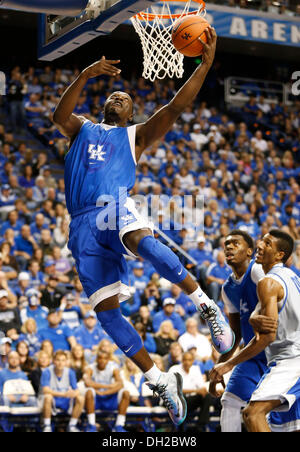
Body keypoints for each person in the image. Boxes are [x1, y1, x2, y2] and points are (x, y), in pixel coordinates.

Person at [52, 27, 234, 425]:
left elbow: (174, 107)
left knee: (144, 241)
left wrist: (203, 67)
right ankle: (157, 378)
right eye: (114, 95)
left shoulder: (135, 136)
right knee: (107, 314)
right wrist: (85, 74)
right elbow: (58, 116)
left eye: (126, 98)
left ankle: (204, 303)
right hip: (81, 227)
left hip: (112, 207)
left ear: (132, 114)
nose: (118, 97)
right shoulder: (82, 129)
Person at [210, 230, 300, 432]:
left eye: (267, 243)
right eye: (227, 243)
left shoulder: (262, 275)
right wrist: (221, 364)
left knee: (253, 414)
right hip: (269, 355)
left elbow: (267, 334)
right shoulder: (291, 277)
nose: (260, 245)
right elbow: (238, 331)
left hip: (284, 356)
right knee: (287, 426)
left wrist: (227, 365)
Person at [83, 350, 131, 432]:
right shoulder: (90, 368)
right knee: (89, 392)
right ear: (97, 359)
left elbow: (120, 384)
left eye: (105, 359)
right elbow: (87, 383)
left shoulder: (113, 368)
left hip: (109, 397)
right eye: (100, 358)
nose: (102, 360)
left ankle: (119, 425)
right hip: (96, 398)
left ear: (108, 359)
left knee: (126, 393)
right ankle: (92, 425)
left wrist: (104, 392)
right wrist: (107, 386)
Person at [40, 350, 84, 432]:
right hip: (52, 400)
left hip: (65, 400)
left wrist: (73, 394)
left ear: (66, 362)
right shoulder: (47, 371)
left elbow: (77, 390)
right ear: (53, 361)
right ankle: (47, 426)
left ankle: (72, 425)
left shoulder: (70, 372)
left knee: (80, 398)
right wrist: (64, 394)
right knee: (48, 397)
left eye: (63, 360)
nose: (60, 363)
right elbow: (46, 390)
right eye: (58, 360)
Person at [170, 351, 213, 432]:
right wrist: (196, 390)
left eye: (189, 360)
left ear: (193, 361)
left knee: (207, 396)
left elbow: (202, 388)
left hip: (189, 401)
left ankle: (200, 426)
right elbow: (173, 390)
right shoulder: (174, 369)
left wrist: (203, 391)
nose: (187, 362)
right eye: (185, 360)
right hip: (176, 401)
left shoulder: (195, 369)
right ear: (181, 360)